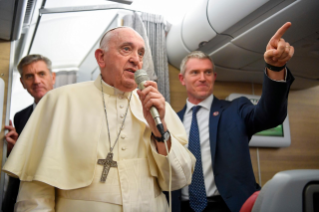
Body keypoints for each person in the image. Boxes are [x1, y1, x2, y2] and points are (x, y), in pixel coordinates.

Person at [3, 27, 195, 212]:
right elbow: (35, 193)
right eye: (126, 49)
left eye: (141, 53)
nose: (136, 60)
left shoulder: (157, 107)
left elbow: (178, 179)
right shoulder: (59, 101)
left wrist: (159, 133)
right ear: (101, 58)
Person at [172, 22, 295, 212]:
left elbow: (270, 116)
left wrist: (275, 68)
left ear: (214, 76)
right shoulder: (170, 122)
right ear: (182, 79)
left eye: (207, 72)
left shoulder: (236, 109)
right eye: (195, 72)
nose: (202, 78)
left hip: (229, 206)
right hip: (182, 207)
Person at [2, 54, 56, 212]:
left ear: (53, 77)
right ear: (22, 83)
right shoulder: (20, 116)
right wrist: (12, 151)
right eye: (29, 76)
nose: (36, 81)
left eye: (41, 74)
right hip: (23, 197)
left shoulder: (71, 111)